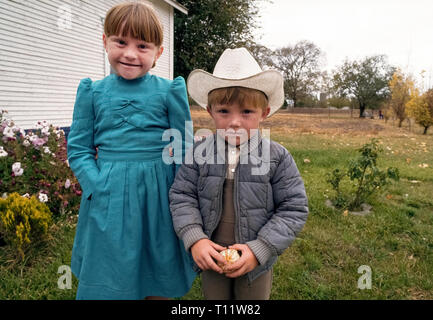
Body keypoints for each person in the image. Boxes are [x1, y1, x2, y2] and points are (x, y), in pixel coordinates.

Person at [67, 2, 196, 300]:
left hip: (159, 191)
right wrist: (95, 186)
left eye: (142, 46)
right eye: (121, 42)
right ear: (105, 41)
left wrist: (180, 193)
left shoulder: (169, 91)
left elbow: (183, 147)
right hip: (108, 190)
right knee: (110, 262)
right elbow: (79, 147)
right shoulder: (92, 92)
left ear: (158, 52)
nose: (129, 54)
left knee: (159, 260)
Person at [169, 48, 309, 300]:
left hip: (255, 260)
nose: (234, 122)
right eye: (224, 111)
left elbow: (293, 208)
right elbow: (182, 196)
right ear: (210, 111)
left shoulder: (277, 157)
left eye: (246, 112)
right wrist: (195, 239)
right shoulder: (198, 153)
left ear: (264, 113)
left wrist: (261, 249)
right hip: (210, 253)